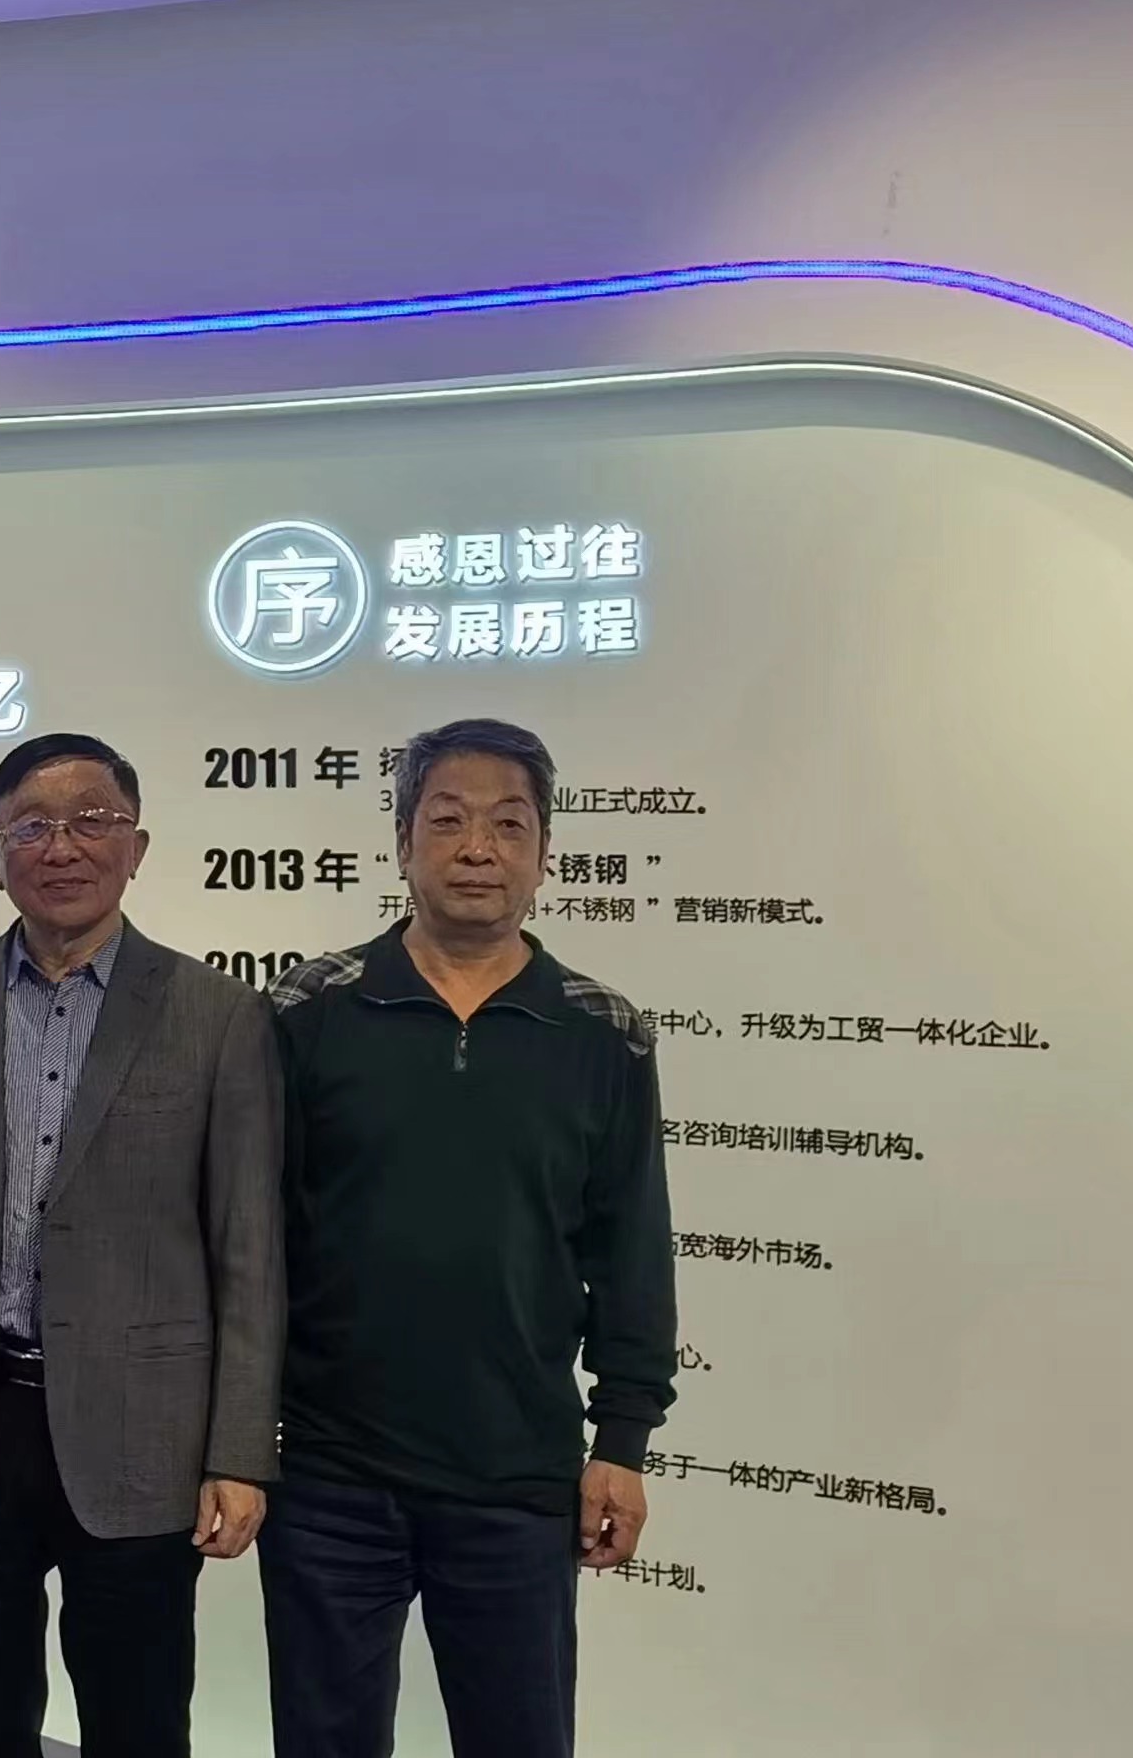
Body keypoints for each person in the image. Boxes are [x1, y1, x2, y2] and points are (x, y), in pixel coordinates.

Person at [0, 732, 285, 1757]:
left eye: (93, 819)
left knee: (138, 1722)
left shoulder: (219, 1015)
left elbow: (249, 1251)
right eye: (31, 826)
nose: (63, 846)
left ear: (137, 847)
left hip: (146, 1430)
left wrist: (239, 1450)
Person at [261, 718, 676, 1758]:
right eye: (447, 821)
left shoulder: (602, 1032)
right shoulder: (309, 1010)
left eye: (508, 824)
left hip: (517, 1477)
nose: (477, 848)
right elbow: (252, 1238)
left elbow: (631, 1250)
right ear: (402, 842)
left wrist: (622, 1442)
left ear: (545, 853)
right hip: (330, 1475)